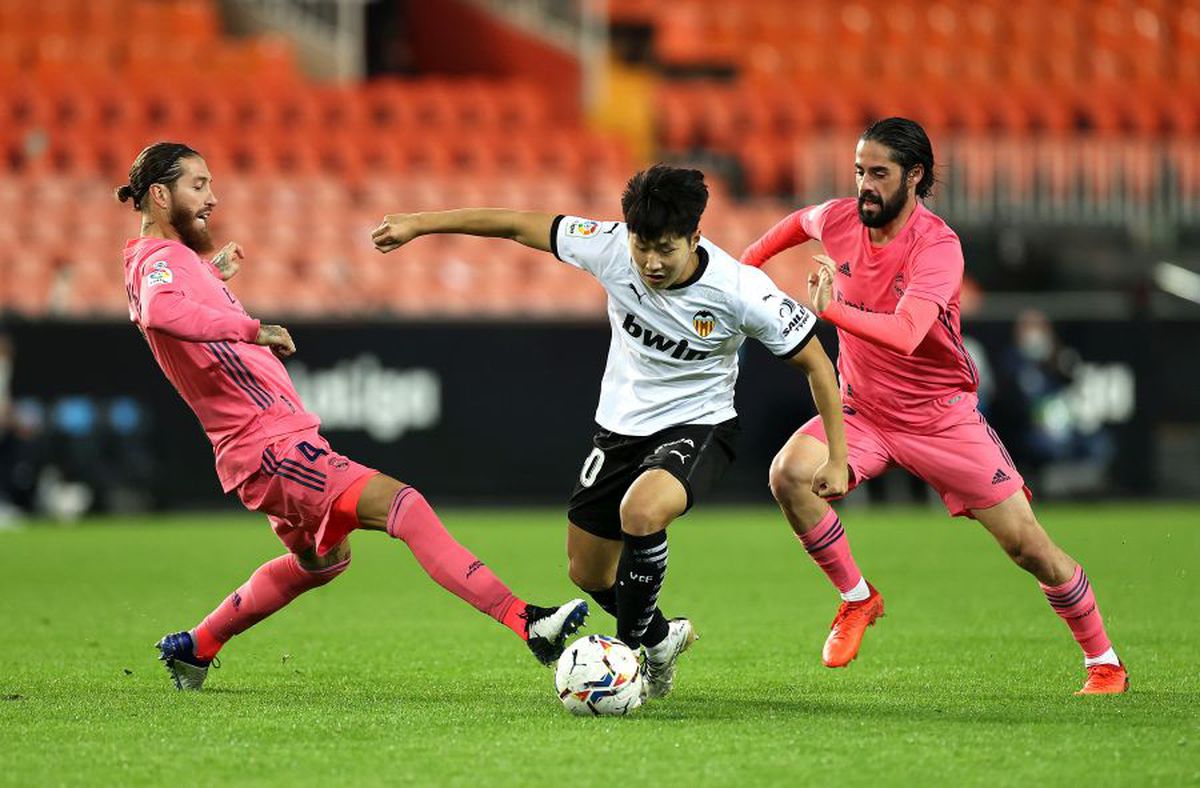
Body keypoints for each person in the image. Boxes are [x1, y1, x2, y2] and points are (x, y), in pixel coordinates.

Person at [118, 142, 587, 690]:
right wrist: (253, 328)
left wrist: (212, 276)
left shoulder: (164, 263)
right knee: (402, 505)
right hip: (270, 445)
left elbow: (177, 302)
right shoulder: (160, 263)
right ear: (158, 193)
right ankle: (527, 621)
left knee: (324, 561)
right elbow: (162, 310)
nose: (212, 197)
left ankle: (196, 646)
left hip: (256, 448)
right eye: (198, 185)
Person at [371, 164, 849, 700]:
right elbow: (512, 223)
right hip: (619, 429)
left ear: (695, 236)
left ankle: (630, 655)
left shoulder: (740, 291)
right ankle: (660, 638)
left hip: (702, 423)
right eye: (642, 245)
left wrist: (836, 455)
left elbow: (817, 365)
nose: (651, 262)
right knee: (588, 572)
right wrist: (419, 223)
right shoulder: (609, 247)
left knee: (641, 513)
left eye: (666, 248)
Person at [741, 118, 1127, 695]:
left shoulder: (939, 246)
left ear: (914, 176)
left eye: (878, 173)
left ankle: (1104, 661)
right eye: (858, 171)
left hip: (941, 419)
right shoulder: (841, 218)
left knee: (1029, 547)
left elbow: (906, 332)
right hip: (864, 411)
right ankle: (857, 599)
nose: (864, 185)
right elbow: (798, 223)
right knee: (789, 475)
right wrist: (743, 268)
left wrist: (832, 312)